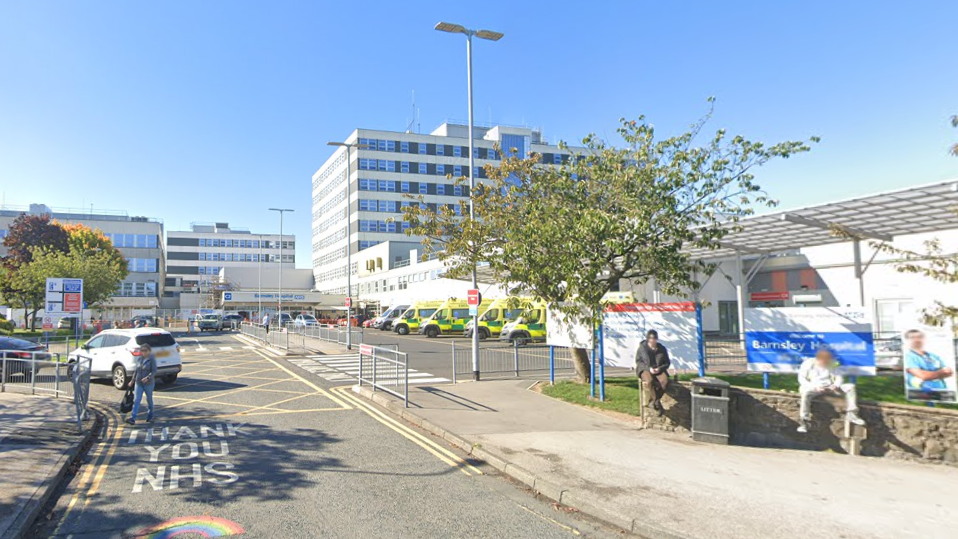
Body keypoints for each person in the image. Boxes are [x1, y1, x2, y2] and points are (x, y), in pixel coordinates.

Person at [797, 348, 864, 433]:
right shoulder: (807, 364)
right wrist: (815, 387)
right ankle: (804, 421)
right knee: (806, 394)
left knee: (850, 387)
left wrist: (836, 385)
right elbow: (802, 380)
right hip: (815, 387)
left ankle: (852, 414)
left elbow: (839, 377)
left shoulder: (833, 363)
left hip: (830, 387)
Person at [904, 329, 954, 393]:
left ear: (924, 339)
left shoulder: (934, 356)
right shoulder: (909, 356)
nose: (917, 340)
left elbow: (949, 373)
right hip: (922, 393)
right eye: (912, 338)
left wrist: (930, 374)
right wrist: (939, 373)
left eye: (920, 337)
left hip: (942, 391)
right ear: (907, 340)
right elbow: (921, 375)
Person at [634, 329, 671, 415]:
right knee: (649, 381)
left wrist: (660, 368)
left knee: (665, 381)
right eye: (651, 339)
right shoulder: (642, 348)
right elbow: (638, 361)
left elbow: (667, 363)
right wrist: (648, 368)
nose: (653, 340)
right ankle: (656, 402)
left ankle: (654, 401)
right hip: (645, 369)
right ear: (648, 339)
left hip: (658, 369)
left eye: (654, 339)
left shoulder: (662, 348)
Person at [127, 343, 157, 425]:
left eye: (145, 350)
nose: (143, 352)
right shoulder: (139, 359)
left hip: (149, 383)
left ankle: (150, 416)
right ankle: (133, 418)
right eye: (142, 350)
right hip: (138, 383)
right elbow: (136, 371)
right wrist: (132, 381)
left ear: (149, 351)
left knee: (149, 399)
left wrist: (148, 377)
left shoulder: (152, 359)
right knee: (136, 400)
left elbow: (154, 371)